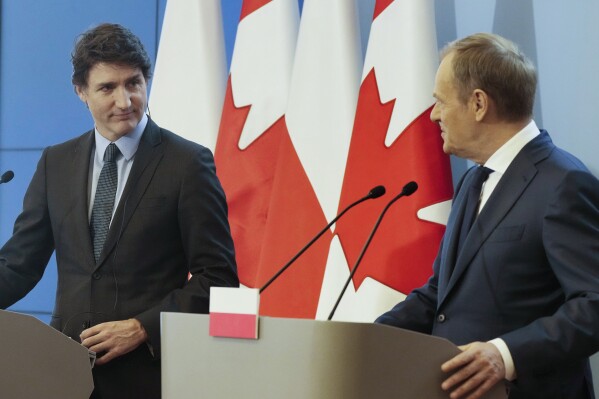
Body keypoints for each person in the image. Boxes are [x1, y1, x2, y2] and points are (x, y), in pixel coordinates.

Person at [0, 23, 238, 398]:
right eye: (108, 88)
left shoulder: (187, 163)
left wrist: (143, 327)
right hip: (61, 374)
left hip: (148, 376)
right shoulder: (55, 163)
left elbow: (218, 276)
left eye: (134, 83)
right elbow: (19, 264)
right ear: (81, 91)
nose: (125, 101)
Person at [376, 32, 599, 399]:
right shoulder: (472, 181)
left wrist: (505, 353)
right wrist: (363, 339)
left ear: (478, 103)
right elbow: (440, 295)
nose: (433, 115)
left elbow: (593, 303)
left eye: (440, 102)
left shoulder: (563, 182)